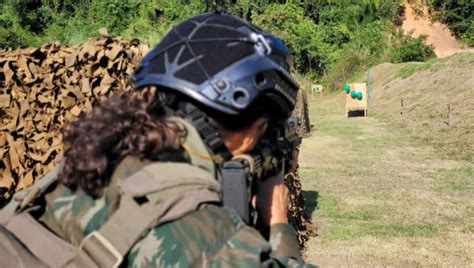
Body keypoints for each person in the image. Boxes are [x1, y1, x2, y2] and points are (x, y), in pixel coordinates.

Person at [0, 12, 315, 267]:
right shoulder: (199, 231)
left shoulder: (96, 162)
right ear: (252, 129)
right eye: (264, 131)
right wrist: (278, 224)